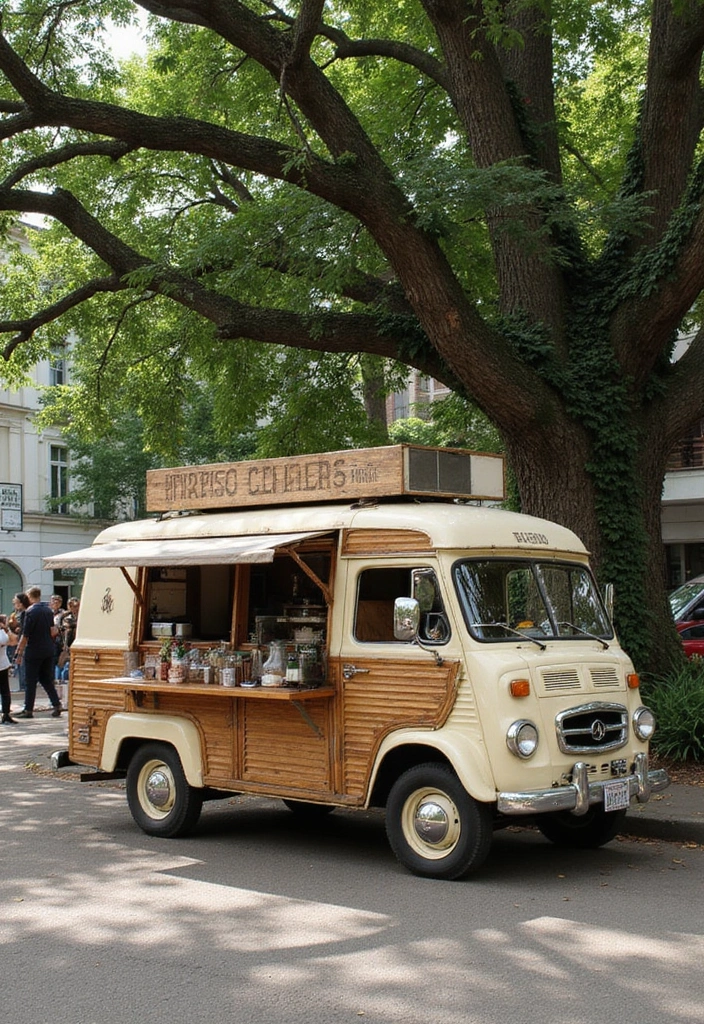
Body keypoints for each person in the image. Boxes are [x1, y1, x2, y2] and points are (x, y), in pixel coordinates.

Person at [13, 587, 63, 719]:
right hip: (48, 649)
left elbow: (25, 635)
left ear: (29, 596)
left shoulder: (30, 611)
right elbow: (53, 631)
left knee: (30, 680)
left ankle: (28, 709)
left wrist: (19, 652)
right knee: (46, 679)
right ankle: (57, 704)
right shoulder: (48, 610)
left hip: (34, 650)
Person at [8, 592, 29, 692]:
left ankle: (24, 686)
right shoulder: (16, 613)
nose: (13, 602)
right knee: (19, 664)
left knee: (22, 664)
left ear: (21, 603)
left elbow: (25, 630)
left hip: (23, 642)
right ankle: (22, 685)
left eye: (15, 601)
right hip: (17, 641)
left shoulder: (25, 613)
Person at [0, 614, 16, 724]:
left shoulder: (2, 632)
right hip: (2, 664)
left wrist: (6, 629)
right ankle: (6, 714)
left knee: (5, 690)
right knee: (5, 690)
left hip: (2, 664)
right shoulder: (2, 633)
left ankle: (6, 714)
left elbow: (13, 641)